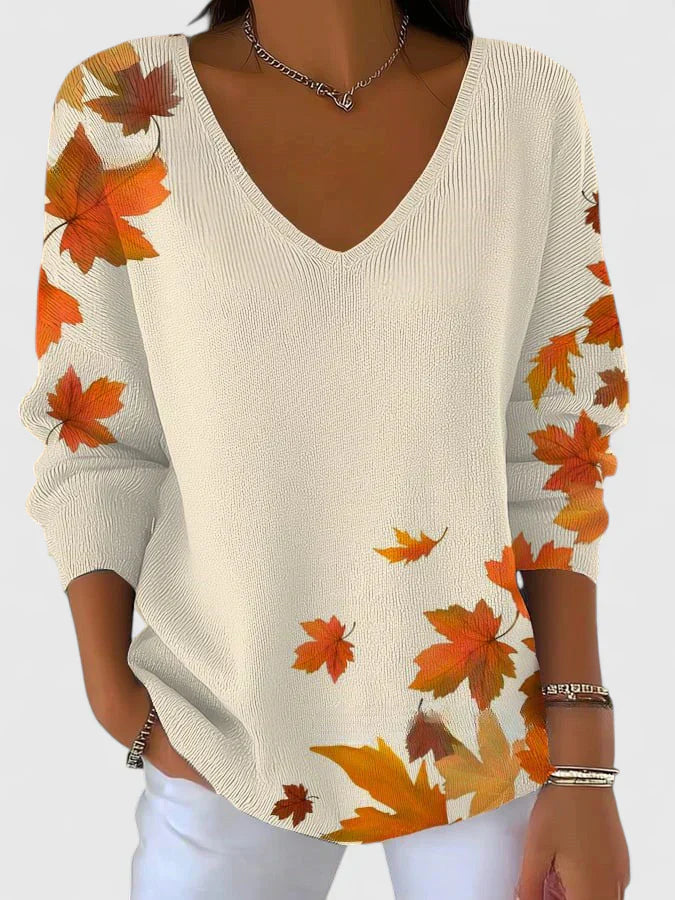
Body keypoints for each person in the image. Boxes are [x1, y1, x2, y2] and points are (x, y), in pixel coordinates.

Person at [18, 1, 632, 898]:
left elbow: (555, 449)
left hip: (486, 739)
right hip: (216, 730)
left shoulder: (527, 107)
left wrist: (584, 767)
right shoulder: (120, 107)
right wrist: (114, 698)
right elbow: (96, 436)